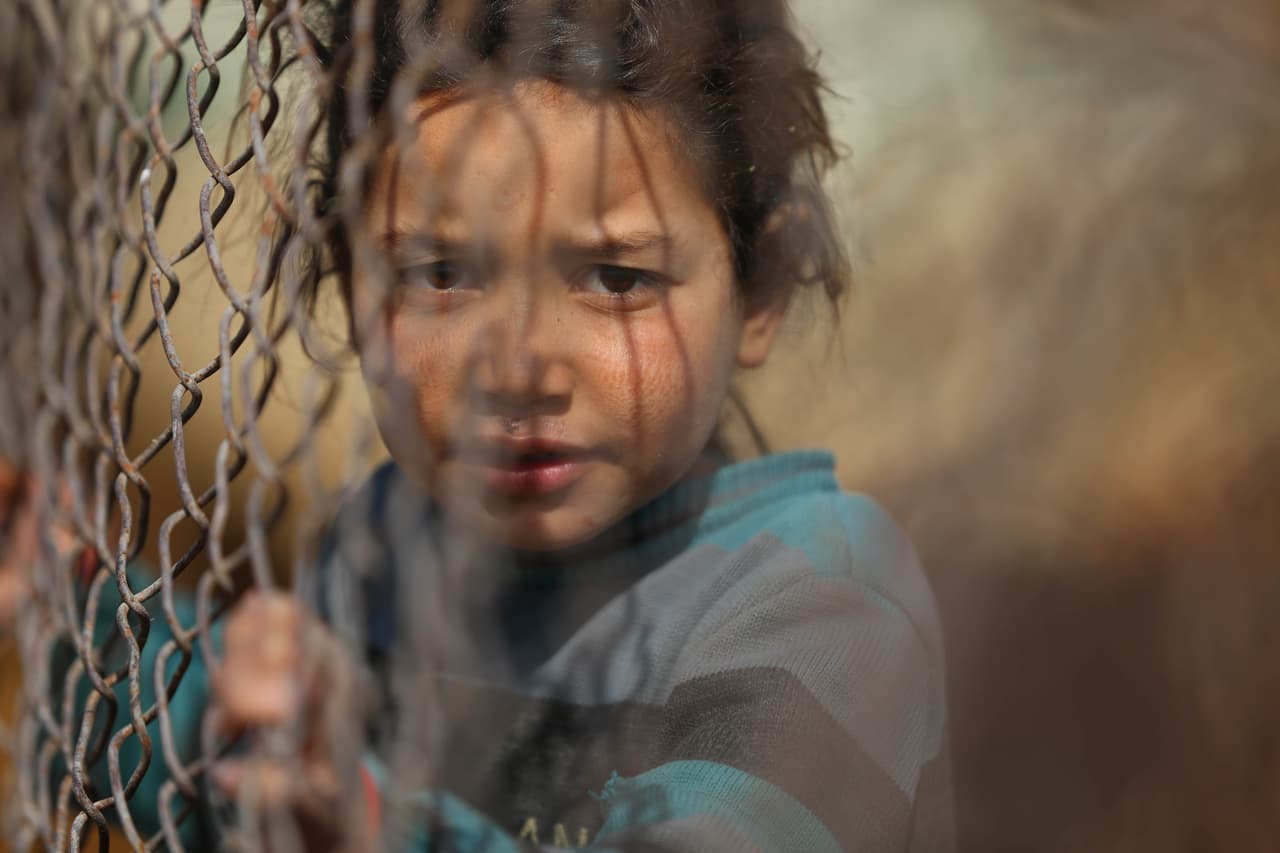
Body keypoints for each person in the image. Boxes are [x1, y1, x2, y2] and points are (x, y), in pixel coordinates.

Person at [10, 0, 954, 849]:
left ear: (762, 286)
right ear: (345, 277)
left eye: (616, 278)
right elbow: (222, 764)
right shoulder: (387, 545)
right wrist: (64, 600)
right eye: (441, 273)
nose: (517, 368)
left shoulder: (820, 604)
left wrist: (368, 827)